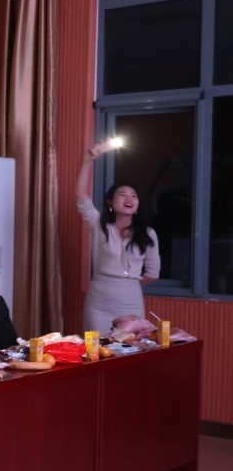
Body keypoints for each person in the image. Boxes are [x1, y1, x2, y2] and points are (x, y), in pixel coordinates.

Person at [77, 140, 160, 334]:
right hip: (99, 302)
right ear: (110, 202)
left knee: (129, 347)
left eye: (134, 196)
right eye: (122, 195)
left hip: (131, 302)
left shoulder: (148, 233)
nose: (129, 199)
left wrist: (127, 283)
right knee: (97, 347)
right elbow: (81, 196)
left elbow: (153, 273)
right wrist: (87, 161)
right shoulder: (99, 223)